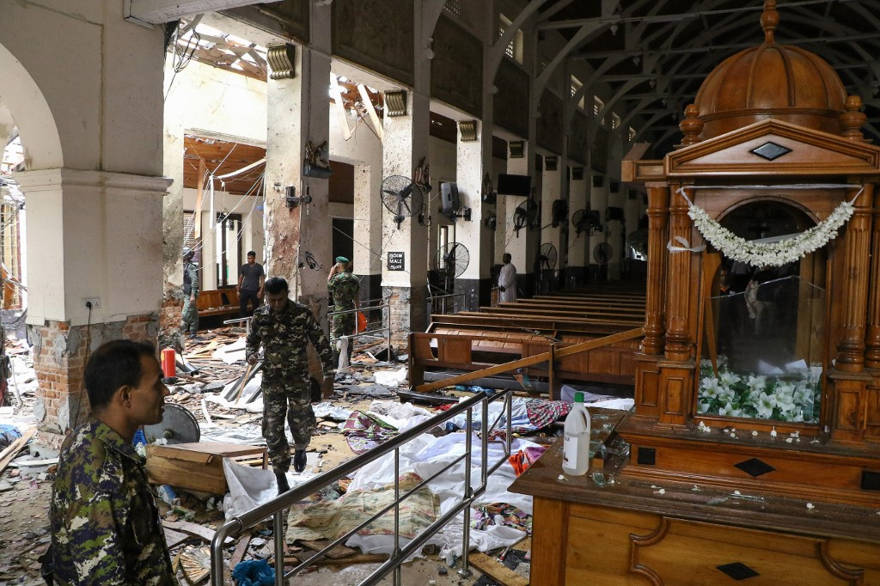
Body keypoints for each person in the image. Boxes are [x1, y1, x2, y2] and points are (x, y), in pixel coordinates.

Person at [42, 340, 175, 585]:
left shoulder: (94, 437)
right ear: (126, 396)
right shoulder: (100, 470)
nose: (165, 392)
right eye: (157, 384)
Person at [246, 277, 335, 493]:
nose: (276, 304)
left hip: (298, 379)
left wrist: (329, 375)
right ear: (266, 297)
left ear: (287, 294)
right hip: (272, 381)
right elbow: (251, 341)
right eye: (272, 300)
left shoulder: (301, 314)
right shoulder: (260, 316)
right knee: (272, 428)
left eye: (280, 299)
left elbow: (321, 342)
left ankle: (301, 448)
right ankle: (280, 477)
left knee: (301, 421)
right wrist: (250, 354)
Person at [327, 256, 360, 367]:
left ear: (339, 265)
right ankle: (347, 361)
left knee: (336, 337)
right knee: (348, 337)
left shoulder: (337, 278)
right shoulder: (355, 278)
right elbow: (356, 297)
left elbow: (328, 286)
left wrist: (331, 272)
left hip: (339, 312)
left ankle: (335, 363)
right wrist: (358, 309)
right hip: (350, 310)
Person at [238, 250, 265, 317]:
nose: (249, 260)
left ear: (254, 258)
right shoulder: (244, 267)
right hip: (244, 289)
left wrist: (260, 291)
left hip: (254, 290)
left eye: (250, 258)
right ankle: (241, 324)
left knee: (255, 308)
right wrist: (238, 290)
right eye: (248, 258)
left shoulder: (259, 267)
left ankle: (254, 323)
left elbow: (262, 280)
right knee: (242, 307)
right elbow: (240, 278)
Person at [181, 247, 199, 339]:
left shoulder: (191, 267)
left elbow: (194, 281)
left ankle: (179, 335)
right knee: (194, 315)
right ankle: (193, 334)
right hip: (186, 293)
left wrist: (192, 295)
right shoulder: (185, 266)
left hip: (190, 294)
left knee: (185, 315)